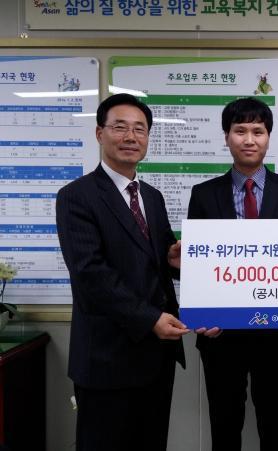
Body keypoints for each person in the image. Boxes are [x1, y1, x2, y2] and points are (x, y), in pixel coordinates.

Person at [56, 93, 188, 451]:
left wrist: (174, 261)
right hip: (106, 358)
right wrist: (150, 319)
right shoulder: (76, 196)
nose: (131, 137)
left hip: (157, 357)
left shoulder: (152, 197)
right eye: (120, 127)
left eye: (140, 129)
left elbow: (157, 259)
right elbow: (90, 273)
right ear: (100, 133)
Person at [187, 97, 278, 451]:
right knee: (224, 427)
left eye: (258, 131)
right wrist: (200, 314)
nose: (249, 139)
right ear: (227, 137)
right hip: (221, 334)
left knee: (275, 427)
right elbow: (198, 267)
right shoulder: (203, 195)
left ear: (268, 137)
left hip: (276, 333)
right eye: (240, 131)